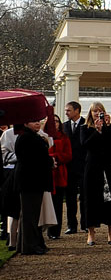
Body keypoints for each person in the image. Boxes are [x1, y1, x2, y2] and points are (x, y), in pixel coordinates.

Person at [80, 102, 111, 247]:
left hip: (109, 166)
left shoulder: (110, 127)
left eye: (100, 111)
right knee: (91, 199)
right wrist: (97, 131)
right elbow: (85, 145)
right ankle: (91, 232)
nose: (97, 113)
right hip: (93, 167)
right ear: (90, 113)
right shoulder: (85, 129)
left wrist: (108, 127)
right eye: (94, 111)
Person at [14, 110, 53, 256]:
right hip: (29, 181)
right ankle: (29, 246)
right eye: (33, 121)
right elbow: (34, 159)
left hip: (32, 180)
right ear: (25, 123)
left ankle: (26, 244)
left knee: (30, 215)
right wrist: (49, 161)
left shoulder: (32, 136)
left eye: (38, 120)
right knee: (30, 215)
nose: (37, 123)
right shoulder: (26, 138)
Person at [45, 112, 73, 241]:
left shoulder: (64, 137)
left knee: (57, 204)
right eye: (52, 121)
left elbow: (68, 155)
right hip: (47, 173)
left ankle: (55, 231)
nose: (55, 123)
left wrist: (56, 157)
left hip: (60, 173)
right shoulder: (43, 136)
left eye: (57, 121)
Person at [62, 102, 85, 234]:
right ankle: (71, 225)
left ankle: (85, 224)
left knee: (84, 197)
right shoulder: (64, 127)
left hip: (83, 166)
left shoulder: (86, 124)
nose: (66, 113)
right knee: (70, 198)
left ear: (77, 111)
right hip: (69, 168)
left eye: (69, 110)